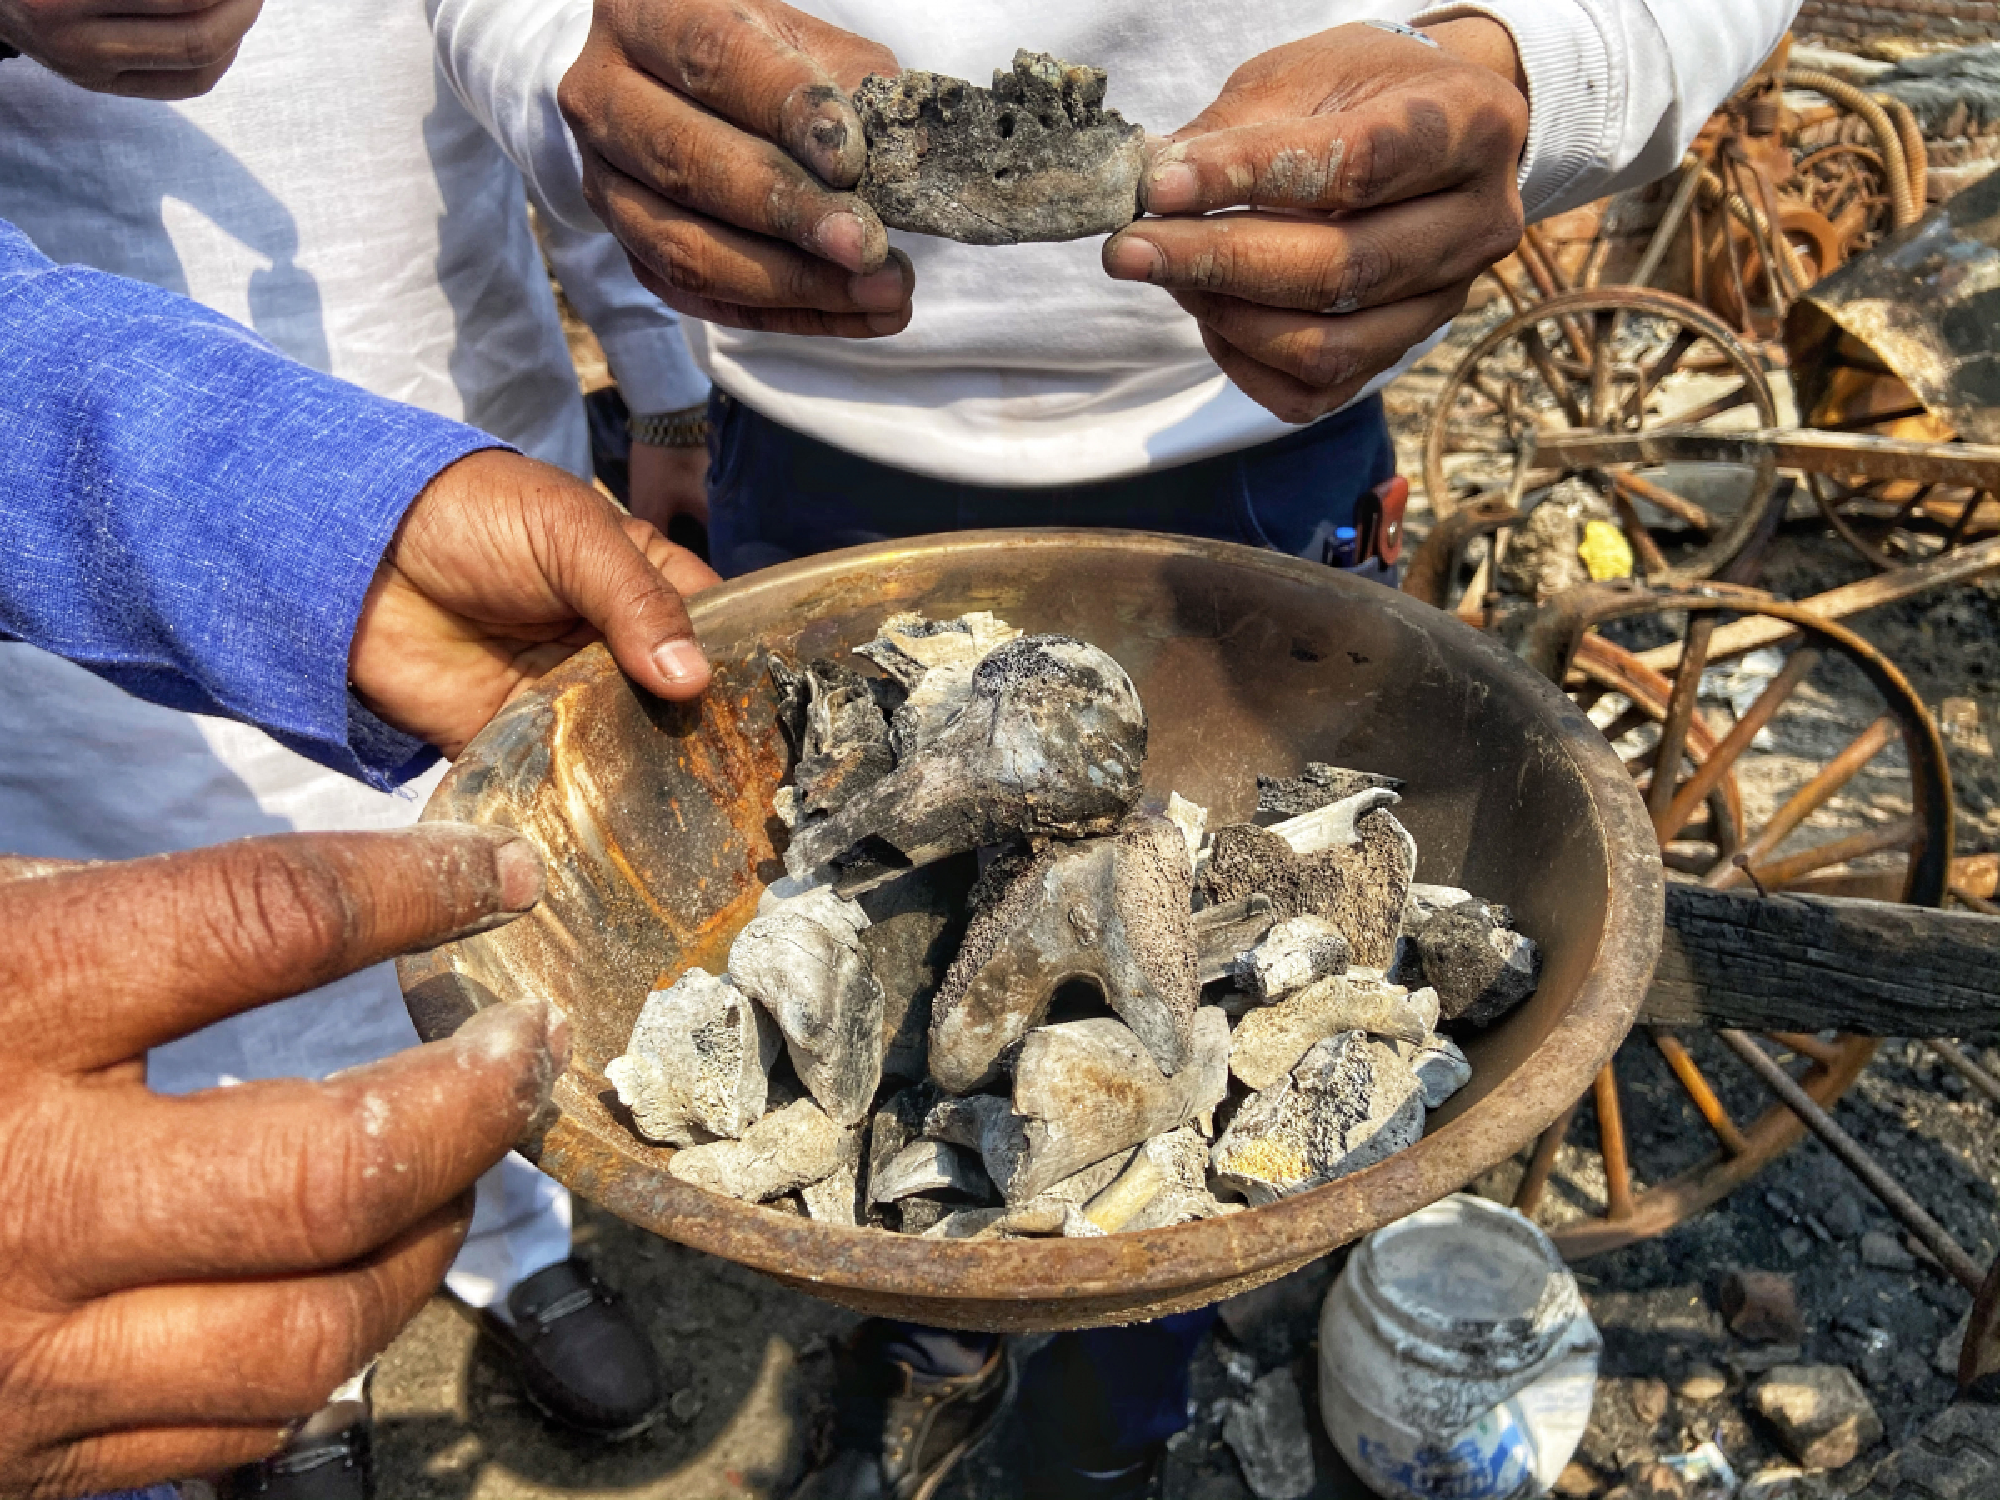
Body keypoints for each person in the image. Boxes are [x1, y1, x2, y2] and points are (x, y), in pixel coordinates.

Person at [544, 1, 1803, 1494]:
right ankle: (931, 1340)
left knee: (1160, 1130)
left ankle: (1119, 1421)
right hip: (812, 458)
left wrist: (1520, 66)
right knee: (863, 972)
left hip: (1262, 432)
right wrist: (565, 55)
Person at [0, 0, 713, 1478]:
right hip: (64, 633)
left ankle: (517, 1241)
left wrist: (331, 523)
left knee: (498, 901)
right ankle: (261, 1368)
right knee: (135, 956)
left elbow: (550, 32)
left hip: (432, 412)